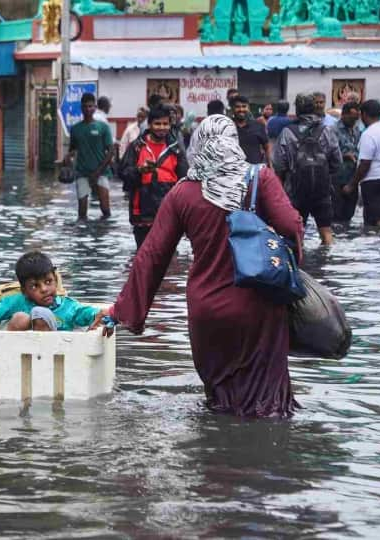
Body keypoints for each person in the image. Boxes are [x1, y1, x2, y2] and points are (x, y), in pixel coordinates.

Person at [101, 115, 304, 418]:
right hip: (259, 307)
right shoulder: (260, 178)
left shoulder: (182, 193)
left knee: (220, 401)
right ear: (234, 142)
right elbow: (291, 225)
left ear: (198, 145)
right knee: (267, 405)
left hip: (207, 312)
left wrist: (121, 312)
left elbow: (152, 256)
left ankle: (217, 459)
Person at [0, 251, 109, 331]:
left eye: (48, 282)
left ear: (56, 280)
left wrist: (99, 314)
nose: (44, 289)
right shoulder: (17, 301)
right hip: (16, 357)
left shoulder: (68, 307)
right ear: (24, 291)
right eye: (34, 286)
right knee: (21, 318)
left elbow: (86, 313)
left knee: (41, 315)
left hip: (55, 361)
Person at [273, 93, 342, 245]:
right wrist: (322, 174)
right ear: (314, 108)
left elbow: (279, 164)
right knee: (326, 231)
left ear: (297, 110)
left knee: (297, 232)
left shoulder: (287, 132)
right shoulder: (327, 130)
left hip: (296, 190)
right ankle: (328, 263)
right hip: (322, 190)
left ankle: (300, 263)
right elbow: (337, 162)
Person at [129, 106, 188, 248]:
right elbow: (124, 174)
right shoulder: (136, 147)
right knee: (143, 254)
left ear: (170, 125)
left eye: (165, 124)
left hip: (169, 209)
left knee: (168, 256)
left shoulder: (176, 149)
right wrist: (139, 171)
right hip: (142, 210)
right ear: (149, 125)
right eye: (157, 124)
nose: (162, 127)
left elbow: (185, 179)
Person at [64, 92, 114, 220]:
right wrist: (67, 160)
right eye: (85, 106)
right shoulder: (75, 129)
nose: (88, 109)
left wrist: (98, 172)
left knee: (106, 210)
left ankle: (102, 233)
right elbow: (73, 150)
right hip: (82, 173)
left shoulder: (103, 127)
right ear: (81, 108)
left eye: (91, 106)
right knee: (81, 213)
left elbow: (111, 151)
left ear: (95, 107)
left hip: (101, 173)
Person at [343, 99, 380, 228]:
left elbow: (365, 164)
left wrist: (351, 185)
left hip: (373, 182)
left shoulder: (369, 134)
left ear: (364, 115)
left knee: (376, 220)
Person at [332, 101, 361, 223]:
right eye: (351, 118)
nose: (354, 121)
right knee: (336, 215)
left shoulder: (356, 130)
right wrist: (344, 156)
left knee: (349, 214)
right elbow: (327, 152)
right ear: (343, 115)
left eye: (356, 118)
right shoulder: (333, 130)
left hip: (352, 178)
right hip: (337, 179)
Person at [232, 95, 271, 166]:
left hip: (254, 172)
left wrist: (270, 167)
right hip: (234, 173)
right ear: (233, 108)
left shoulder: (258, 126)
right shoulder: (228, 127)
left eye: (244, 106)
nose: (241, 109)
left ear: (248, 108)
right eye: (238, 107)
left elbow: (267, 147)